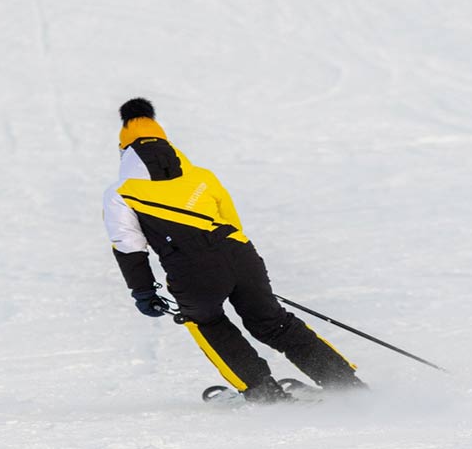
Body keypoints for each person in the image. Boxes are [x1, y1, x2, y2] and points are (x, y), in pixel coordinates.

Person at [102, 98, 366, 403]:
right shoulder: (202, 176)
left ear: (125, 152)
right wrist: (240, 276)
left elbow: (129, 247)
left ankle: (264, 394)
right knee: (273, 322)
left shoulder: (120, 192)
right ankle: (346, 385)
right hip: (241, 257)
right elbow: (231, 222)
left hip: (193, 272)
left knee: (208, 323)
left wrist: (144, 292)